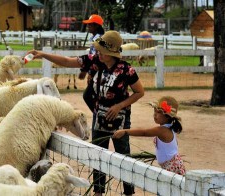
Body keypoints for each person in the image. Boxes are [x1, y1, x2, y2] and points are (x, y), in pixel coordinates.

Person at [27, 30, 144, 196]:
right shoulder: (96, 61)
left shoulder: (127, 70)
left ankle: (128, 193)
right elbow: (68, 61)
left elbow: (140, 92)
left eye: (102, 51)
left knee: (123, 157)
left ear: (111, 53)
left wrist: (119, 106)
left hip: (120, 120)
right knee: (98, 155)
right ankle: (98, 192)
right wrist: (42, 54)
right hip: (99, 118)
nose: (98, 53)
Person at [112, 96, 186, 175]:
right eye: (155, 111)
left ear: (168, 117)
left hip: (172, 168)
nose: (155, 115)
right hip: (170, 166)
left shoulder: (162, 130)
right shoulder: (168, 127)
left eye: (159, 112)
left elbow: (144, 132)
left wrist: (125, 132)